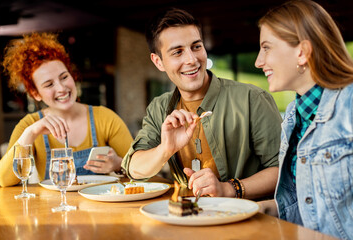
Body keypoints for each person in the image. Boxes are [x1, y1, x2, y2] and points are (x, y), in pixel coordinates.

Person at [121, 8, 282, 199]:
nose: (191, 59)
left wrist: (229, 189)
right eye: (178, 52)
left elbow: (282, 170)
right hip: (187, 218)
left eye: (196, 47)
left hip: (244, 221)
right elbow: (133, 168)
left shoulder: (252, 98)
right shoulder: (159, 108)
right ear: (159, 62)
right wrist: (165, 149)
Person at [255, 1, 353, 239]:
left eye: (266, 48)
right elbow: (310, 204)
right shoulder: (292, 116)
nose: (258, 61)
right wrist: (259, 209)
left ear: (302, 52)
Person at [0, 33, 133, 187]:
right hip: (51, 209)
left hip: (98, 207)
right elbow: (4, 180)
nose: (61, 88)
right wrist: (31, 133)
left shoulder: (105, 117)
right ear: (35, 93)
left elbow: (143, 167)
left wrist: (119, 164)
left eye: (64, 77)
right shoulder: (30, 124)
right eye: (49, 84)